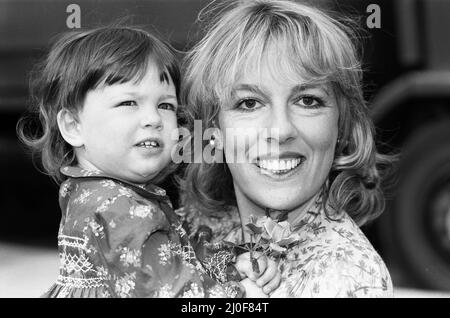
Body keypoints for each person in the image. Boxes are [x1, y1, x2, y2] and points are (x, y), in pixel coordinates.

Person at [17, 25, 279, 298]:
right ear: (73, 126)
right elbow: (169, 291)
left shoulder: (88, 192)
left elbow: (170, 257)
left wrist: (228, 264)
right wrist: (239, 295)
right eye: (129, 103)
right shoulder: (121, 209)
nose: (153, 119)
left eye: (165, 106)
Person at [178, 0, 394, 297]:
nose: (280, 131)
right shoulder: (192, 231)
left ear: (341, 126)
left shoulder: (348, 277)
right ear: (213, 132)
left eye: (307, 100)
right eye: (249, 103)